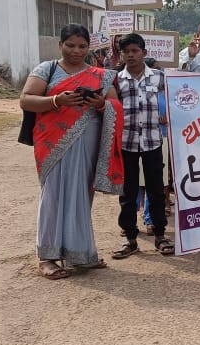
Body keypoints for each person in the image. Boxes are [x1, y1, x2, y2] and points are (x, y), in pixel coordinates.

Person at [19, 23, 124, 280]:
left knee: (80, 195)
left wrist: (101, 103)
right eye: (70, 45)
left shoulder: (101, 75)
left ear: (89, 47)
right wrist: (57, 100)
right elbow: (26, 100)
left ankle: (81, 252)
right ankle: (47, 257)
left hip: (87, 142)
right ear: (60, 45)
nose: (76, 51)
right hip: (53, 142)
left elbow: (114, 104)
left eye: (82, 46)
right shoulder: (47, 69)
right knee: (53, 194)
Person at [110, 33, 173, 259]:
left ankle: (160, 235)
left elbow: (179, 97)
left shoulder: (159, 77)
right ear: (121, 54)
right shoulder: (116, 79)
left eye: (135, 51)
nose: (130, 55)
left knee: (156, 190)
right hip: (126, 143)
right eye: (126, 52)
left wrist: (168, 114)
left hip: (153, 141)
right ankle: (130, 238)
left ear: (144, 53)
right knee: (127, 192)